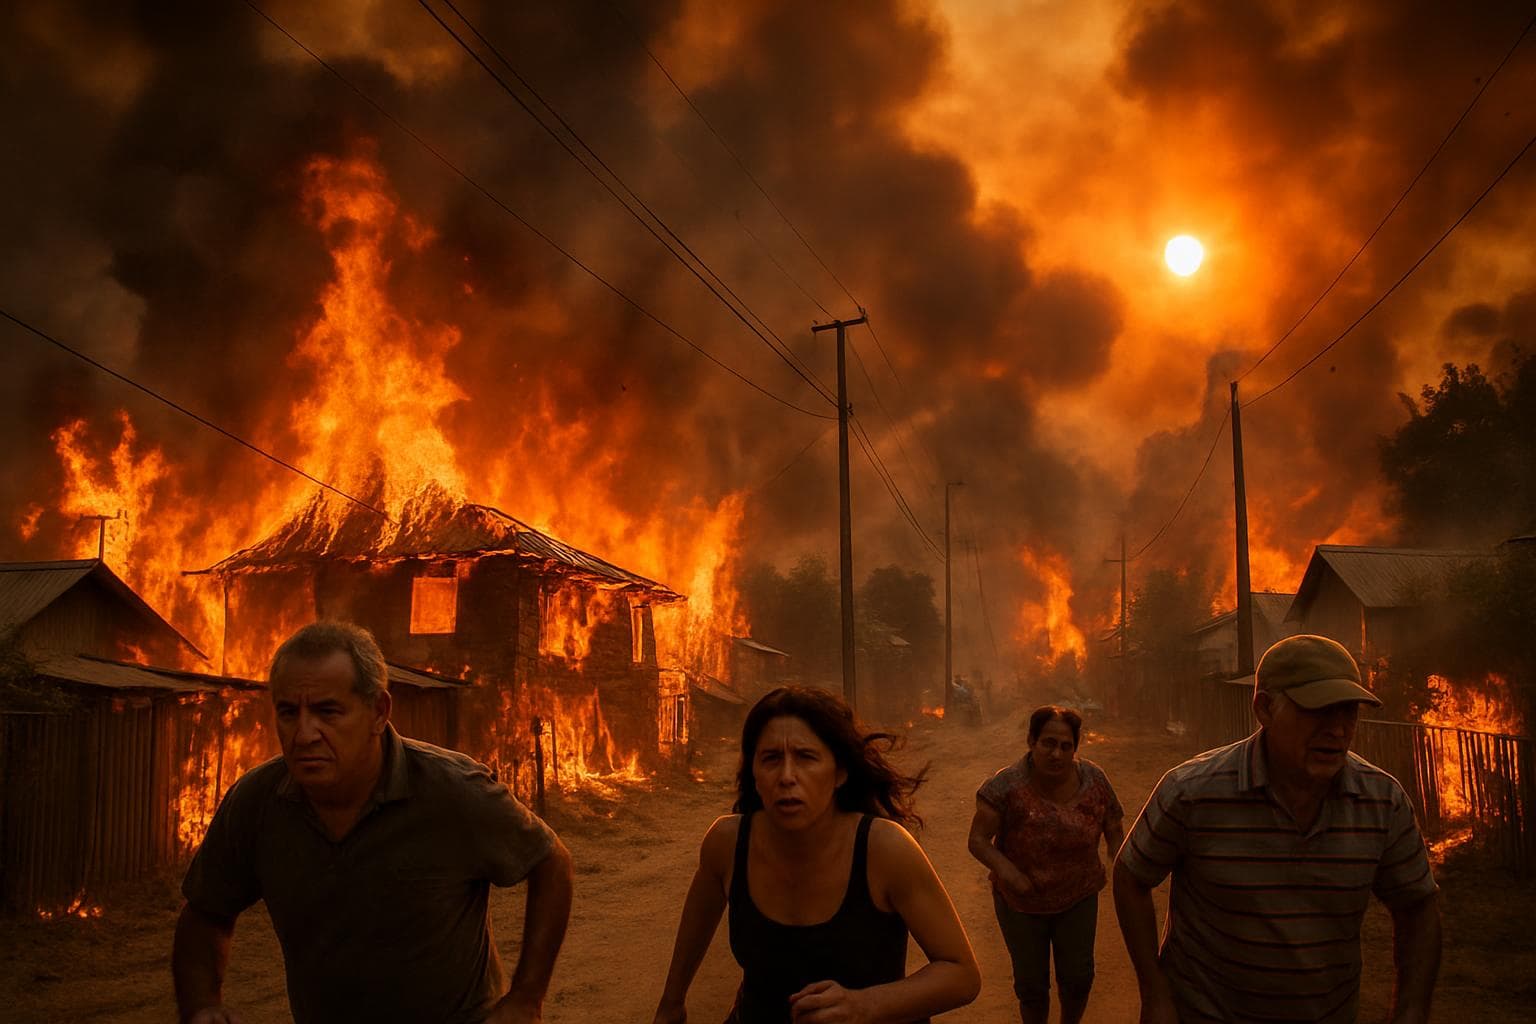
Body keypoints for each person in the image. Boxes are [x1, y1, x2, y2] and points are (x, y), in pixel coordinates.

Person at [172, 621, 574, 1024]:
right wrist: (203, 1005)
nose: (305, 733)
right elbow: (207, 911)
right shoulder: (257, 803)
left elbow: (550, 860)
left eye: (328, 711)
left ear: (378, 712)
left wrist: (526, 998)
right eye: (289, 712)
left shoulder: (452, 791)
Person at [1113, 634, 1441, 1023]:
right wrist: (1154, 993)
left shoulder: (1381, 802)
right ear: (1265, 708)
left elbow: (1417, 906)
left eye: (1348, 711)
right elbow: (1131, 875)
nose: (1337, 730)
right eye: (1319, 710)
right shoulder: (1193, 792)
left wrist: (1412, 1009)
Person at [653, 685, 981, 1023]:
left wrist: (864, 1005)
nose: (786, 777)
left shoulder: (884, 849)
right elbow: (695, 925)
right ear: (753, 772)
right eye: (771, 759)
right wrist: (671, 1002)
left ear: (840, 772)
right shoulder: (727, 843)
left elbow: (961, 974)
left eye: (806, 758)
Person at [967, 705, 1125, 1024]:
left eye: (1066, 746)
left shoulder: (1094, 780)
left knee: (1079, 978)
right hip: (1021, 904)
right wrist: (1010, 874)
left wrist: (1120, 860)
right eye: (1048, 743)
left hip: (1079, 897)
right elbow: (978, 840)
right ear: (1031, 741)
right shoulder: (1006, 786)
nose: (1056, 754)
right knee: (1031, 986)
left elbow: (1114, 826)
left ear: (1075, 749)